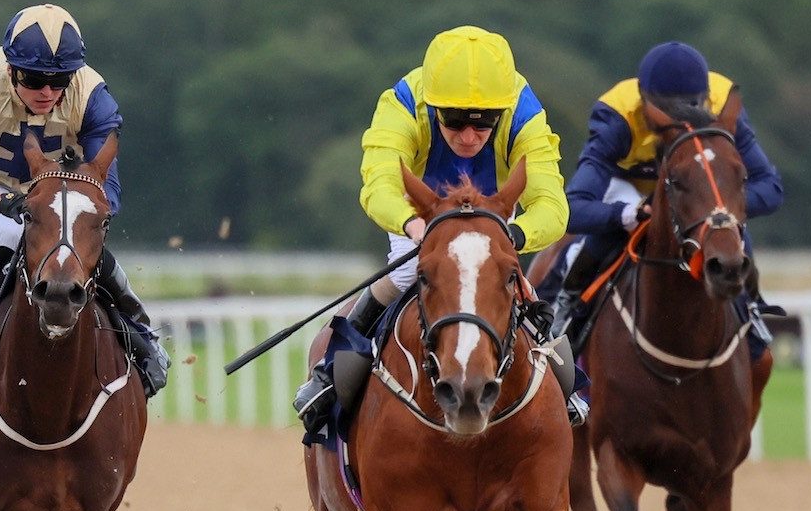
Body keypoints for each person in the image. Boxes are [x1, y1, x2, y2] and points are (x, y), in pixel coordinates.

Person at [297, 25, 583, 432]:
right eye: (453, 120)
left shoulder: (523, 110)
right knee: (404, 271)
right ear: (433, 107)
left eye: (483, 123)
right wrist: (413, 225)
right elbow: (379, 185)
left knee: (512, 285)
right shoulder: (403, 103)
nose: (468, 136)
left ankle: (564, 390)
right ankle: (329, 374)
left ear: (502, 111)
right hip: (421, 213)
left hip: (491, 217)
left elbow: (552, 206)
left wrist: (511, 236)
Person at [0, 3, 167, 402]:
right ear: (10, 69)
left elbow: (109, 191)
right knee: (1, 241)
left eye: (60, 80)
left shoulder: (92, 96)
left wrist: (82, 211)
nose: (48, 93)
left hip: (63, 188)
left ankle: (144, 339)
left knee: (84, 253)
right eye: (34, 80)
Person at [548, 41, 785, 345]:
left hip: (695, 194)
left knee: (729, 229)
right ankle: (567, 304)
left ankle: (751, 306)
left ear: (706, 99)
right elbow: (572, 209)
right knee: (606, 234)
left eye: (690, 108)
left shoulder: (724, 105)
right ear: (643, 99)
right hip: (630, 190)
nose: (679, 123)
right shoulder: (618, 115)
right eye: (667, 111)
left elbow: (770, 187)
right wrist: (626, 214)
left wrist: (713, 206)